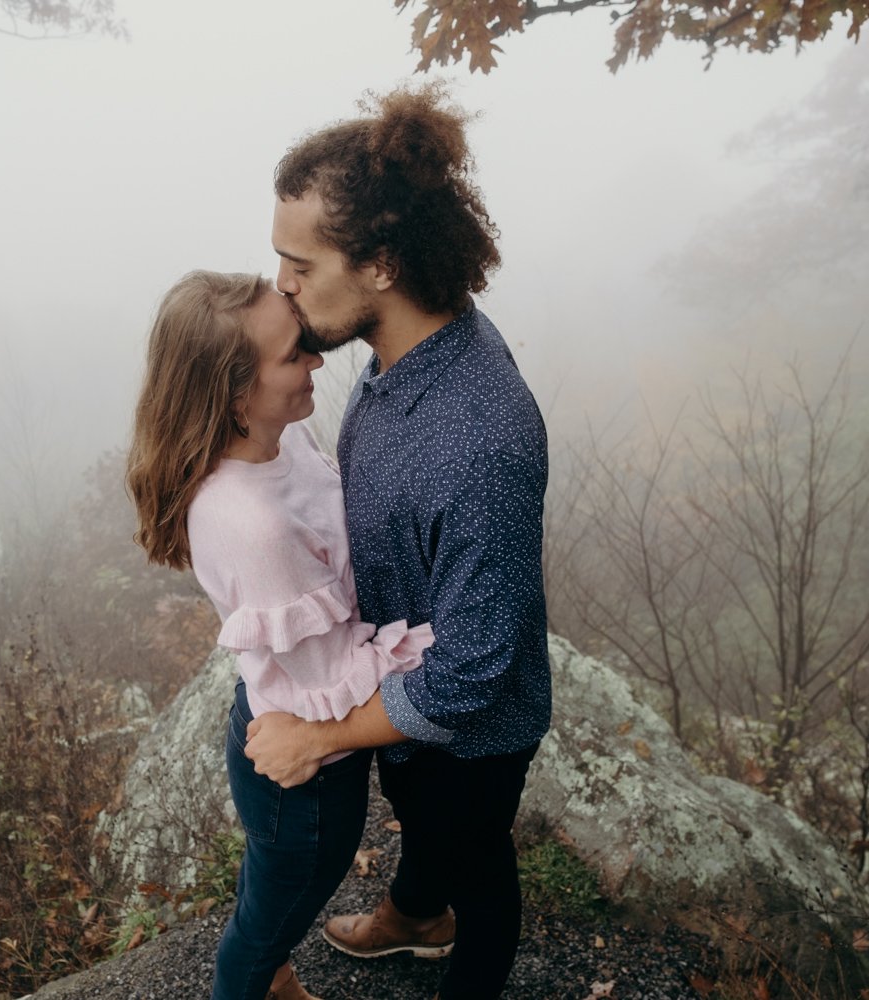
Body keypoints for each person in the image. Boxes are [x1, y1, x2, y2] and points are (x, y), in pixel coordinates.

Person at [242, 83, 552, 1000]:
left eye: (299, 265)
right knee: (422, 820)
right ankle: (415, 915)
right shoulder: (400, 353)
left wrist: (315, 737)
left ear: (380, 262)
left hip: (469, 730)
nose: (282, 289)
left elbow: (467, 677)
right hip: (401, 688)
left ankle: (457, 950)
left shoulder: (481, 437)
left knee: (476, 864)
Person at [126, 270, 435, 1000]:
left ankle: (276, 982)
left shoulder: (275, 442)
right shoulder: (250, 524)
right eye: (295, 353)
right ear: (235, 394)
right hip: (307, 776)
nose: (319, 361)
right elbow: (334, 681)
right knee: (266, 922)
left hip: (279, 726)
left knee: (269, 896)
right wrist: (439, 645)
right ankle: (254, 984)